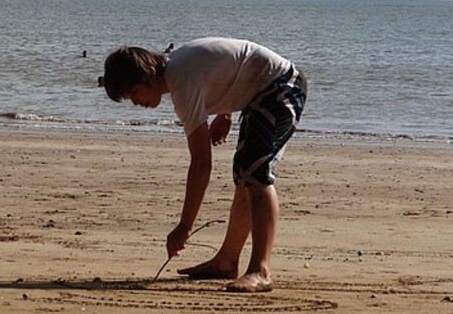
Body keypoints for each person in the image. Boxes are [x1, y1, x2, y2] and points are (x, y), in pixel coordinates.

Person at [103, 37, 307, 292]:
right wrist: (225, 112)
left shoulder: (180, 81)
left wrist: (184, 227)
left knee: (256, 173)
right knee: (245, 174)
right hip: (263, 91)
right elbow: (226, 67)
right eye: (128, 99)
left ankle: (261, 270)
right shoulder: (178, 69)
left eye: (133, 93)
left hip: (282, 86)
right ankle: (226, 262)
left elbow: (201, 164)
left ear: (149, 74)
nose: (135, 102)